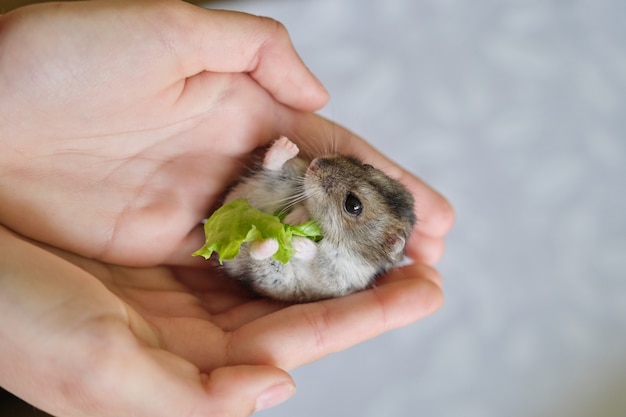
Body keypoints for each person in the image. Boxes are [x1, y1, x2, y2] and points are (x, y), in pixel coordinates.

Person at [0, 1, 454, 416]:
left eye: (352, 204)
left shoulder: (348, 271)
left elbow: (311, 279)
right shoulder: (310, 183)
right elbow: (277, 182)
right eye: (353, 168)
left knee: (280, 264)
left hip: (273, 267)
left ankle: (261, 251)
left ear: (382, 244)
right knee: (277, 181)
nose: (325, 166)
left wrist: (293, 252)